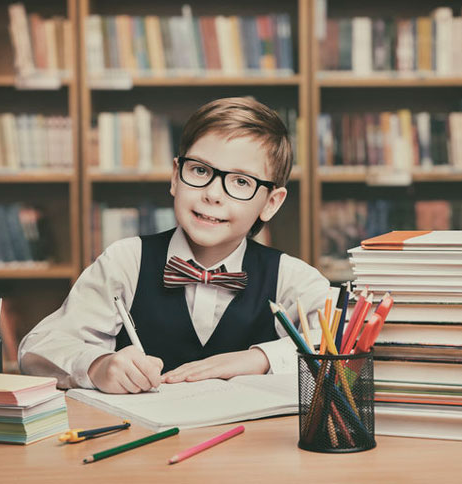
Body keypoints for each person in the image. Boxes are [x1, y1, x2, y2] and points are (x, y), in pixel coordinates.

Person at [18, 97, 329, 393]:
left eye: (241, 182)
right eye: (200, 170)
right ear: (175, 177)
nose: (213, 194)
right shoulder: (126, 261)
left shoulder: (292, 277)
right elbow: (38, 348)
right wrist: (97, 365)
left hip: (254, 444)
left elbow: (345, 345)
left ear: (271, 203)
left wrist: (260, 358)